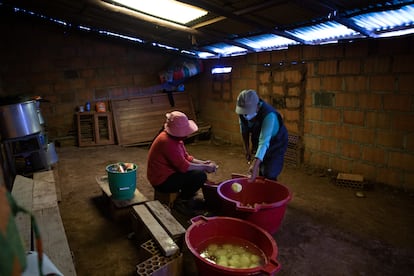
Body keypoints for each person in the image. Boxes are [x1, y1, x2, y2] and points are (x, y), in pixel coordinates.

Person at [147, 111, 217, 214]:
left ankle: (185, 197)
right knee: (200, 176)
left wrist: (204, 163)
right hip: (161, 181)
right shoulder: (167, 142)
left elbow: (186, 157)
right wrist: (203, 167)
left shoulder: (174, 138)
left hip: (167, 173)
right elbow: (184, 166)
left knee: (198, 172)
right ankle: (182, 201)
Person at [235, 89, 288, 182]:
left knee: (270, 171)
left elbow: (264, 142)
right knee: (262, 169)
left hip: (276, 142)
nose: (246, 115)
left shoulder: (269, 115)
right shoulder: (242, 114)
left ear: (257, 106)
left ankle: (270, 190)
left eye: (248, 111)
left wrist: (254, 165)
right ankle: (262, 184)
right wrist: (246, 149)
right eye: (244, 112)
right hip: (259, 139)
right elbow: (244, 131)